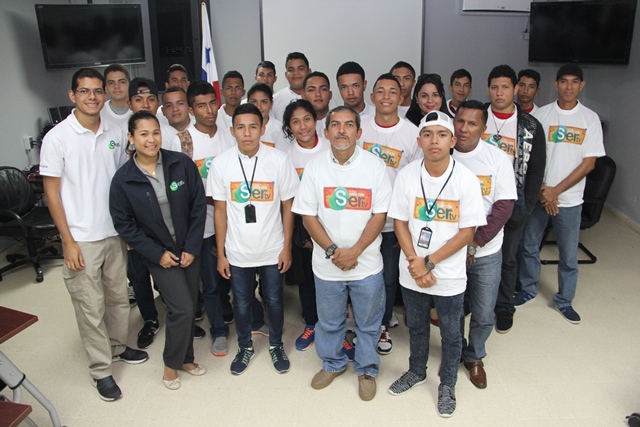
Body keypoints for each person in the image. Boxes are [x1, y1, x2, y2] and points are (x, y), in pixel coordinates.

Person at [41, 68, 148, 402]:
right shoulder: (57, 138)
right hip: (81, 238)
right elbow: (52, 193)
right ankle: (101, 370)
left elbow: (122, 182)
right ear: (72, 95)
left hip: (114, 232)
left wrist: (128, 228)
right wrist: (67, 241)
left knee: (118, 299)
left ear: (105, 94)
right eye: (84, 91)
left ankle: (117, 348)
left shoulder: (115, 132)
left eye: (98, 91)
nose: (92, 97)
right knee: (90, 305)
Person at [386, 111, 485, 418]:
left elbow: (467, 232)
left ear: (452, 141)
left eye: (442, 135)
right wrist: (416, 263)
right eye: (427, 134)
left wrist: (429, 262)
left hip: (448, 273)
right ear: (419, 141)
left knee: (452, 334)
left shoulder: (466, 179)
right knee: (416, 326)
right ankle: (416, 371)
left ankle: (448, 384)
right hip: (412, 271)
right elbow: (400, 222)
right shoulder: (407, 176)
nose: (434, 141)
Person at [292, 106, 392, 402]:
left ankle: (367, 369)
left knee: (369, 323)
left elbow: (380, 214)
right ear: (326, 132)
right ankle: (333, 364)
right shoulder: (315, 167)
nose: (341, 130)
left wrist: (355, 251)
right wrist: (334, 251)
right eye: (335, 125)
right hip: (327, 265)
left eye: (349, 125)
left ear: (359, 132)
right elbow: (308, 216)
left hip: (367, 264)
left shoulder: (375, 166)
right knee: (329, 321)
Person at [110, 110, 207, 390]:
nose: (151, 139)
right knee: (182, 308)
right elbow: (124, 225)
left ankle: (186, 358)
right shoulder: (124, 179)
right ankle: (170, 364)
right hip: (158, 254)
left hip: (188, 249)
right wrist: (157, 254)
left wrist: (192, 247)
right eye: (143, 134)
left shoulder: (180, 163)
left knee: (189, 304)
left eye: (155, 132)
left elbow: (198, 205)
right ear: (131, 138)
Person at [208, 103, 299, 375]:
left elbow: (288, 207)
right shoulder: (221, 163)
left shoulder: (279, 160)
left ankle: (276, 344)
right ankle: (245, 346)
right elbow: (220, 211)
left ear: (262, 128)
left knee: (274, 300)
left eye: (253, 127)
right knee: (242, 301)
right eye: (241, 127)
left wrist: (287, 248)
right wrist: (221, 253)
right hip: (238, 250)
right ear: (232, 130)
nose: (247, 133)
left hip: (272, 248)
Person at [515, 64, 606, 324]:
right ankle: (528, 288)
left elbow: (589, 164)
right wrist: (544, 191)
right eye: (563, 81)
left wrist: (556, 191)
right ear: (555, 84)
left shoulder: (589, 119)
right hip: (539, 196)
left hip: (570, 200)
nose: (569, 86)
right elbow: (529, 157)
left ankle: (564, 300)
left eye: (574, 82)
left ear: (581, 85)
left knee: (568, 255)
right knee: (529, 246)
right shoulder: (541, 115)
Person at [452, 100, 516, 389]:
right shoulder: (443, 154)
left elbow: (503, 207)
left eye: (472, 123)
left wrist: (475, 242)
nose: (464, 129)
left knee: (483, 311)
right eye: (460, 121)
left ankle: (475, 356)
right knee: (452, 309)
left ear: (483, 128)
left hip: (485, 251)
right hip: (449, 252)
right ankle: (454, 351)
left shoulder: (497, 159)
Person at [170, 80, 236, 356]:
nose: (209, 111)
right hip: (205, 224)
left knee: (237, 277)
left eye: (212, 103)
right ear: (191, 109)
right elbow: (179, 188)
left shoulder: (230, 134)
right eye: (201, 106)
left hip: (234, 221)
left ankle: (242, 316)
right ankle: (218, 330)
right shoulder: (181, 141)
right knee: (210, 281)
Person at [359, 73, 420, 354]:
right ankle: (362, 322)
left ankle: (382, 324)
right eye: (380, 91)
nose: (386, 96)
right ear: (372, 97)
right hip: (361, 219)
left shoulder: (412, 134)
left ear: (401, 96)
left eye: (392, 91)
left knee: (388, 278)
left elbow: (416, 183)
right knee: (360, 275)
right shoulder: (359, 128)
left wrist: (405, 226)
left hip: (394, 223)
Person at [483, 65, 546, 334]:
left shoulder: (530, 126)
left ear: (516, 89)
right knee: (474, 255)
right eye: (494, 87)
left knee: (508, 259)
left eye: (506, 87)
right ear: (488, 89)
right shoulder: (476, 116)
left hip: (513, 203)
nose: (499, 93)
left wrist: (527, 206)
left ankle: (504, 307)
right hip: (478, 201)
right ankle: (471, 302)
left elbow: (536, 170)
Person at [281, 99, 330, 351]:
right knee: (306, 278)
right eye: (296, 122)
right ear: (289, 127)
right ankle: (311, 322)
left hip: (331, 223)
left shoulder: (330, 148)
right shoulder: (286, 156)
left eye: (307, 119)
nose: (303, 126)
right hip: (301, 225)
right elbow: (288, 200)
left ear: (316, 120)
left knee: (331, 279)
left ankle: (334, 326)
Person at [272, 52, 312, 121]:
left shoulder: (319, 97)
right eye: (291, 70)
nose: (295, 73)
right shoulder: (275, 100)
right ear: (286, 75)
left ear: (309, 72)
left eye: (300, 68)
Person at [247, 83, 288, 149]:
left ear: (271, 104)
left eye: (263, 102)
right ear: (248, 103)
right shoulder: (240, 127)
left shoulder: (281, 130)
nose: (258, 107)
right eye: (254, 102)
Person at [216, 70, 246, 140]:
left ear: (243, 92)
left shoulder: (249, 117)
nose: (233, 92)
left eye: (238, 88)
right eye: (229, 88)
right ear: (222, 92)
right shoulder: (215, 118)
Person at [302, 71, 333, 136]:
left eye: (323, 89)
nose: (318, 94)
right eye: (311, 90)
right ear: (303, 96)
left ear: (330, 94)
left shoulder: (341, 123)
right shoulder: (297, 127)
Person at [101, 63, 132, 127]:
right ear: (106, 88)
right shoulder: (99, 112)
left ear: (130, 84)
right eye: (111, 83)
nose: (116, 86)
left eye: (122, 82)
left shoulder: (138, 109)